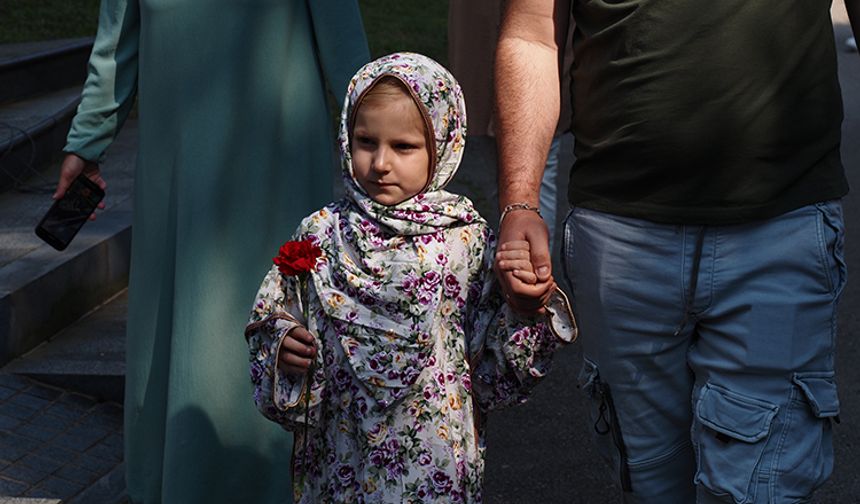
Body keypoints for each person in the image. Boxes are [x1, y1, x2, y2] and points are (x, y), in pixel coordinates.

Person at [494, 0, 856, 502]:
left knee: (759, 490)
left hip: (781, 226)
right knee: (653, 484)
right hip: (620, 240)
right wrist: (520, 202)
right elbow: (532, 34)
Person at [53, 0, 369, 501]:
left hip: (246, 153)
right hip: (214, 159)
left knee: (247, 315)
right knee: (226, 314)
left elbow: (115, 47)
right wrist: (86, 142)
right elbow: (116, 45)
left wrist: (87, 141)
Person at [244, 52, 576, 503]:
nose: (381, 163)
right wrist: (284, 342)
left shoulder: (468, 243)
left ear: (441, 146)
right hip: (343, 454)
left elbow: (495, 368)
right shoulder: (321, 234)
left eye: (403, 147)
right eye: (365, 141)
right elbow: (275, 311)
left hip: (433, 459)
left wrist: (523, 307)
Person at [447, 0, 575, 249]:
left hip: (542, 49)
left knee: (538, 177)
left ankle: (529, 268)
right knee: (502, 185)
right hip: (483, 42)